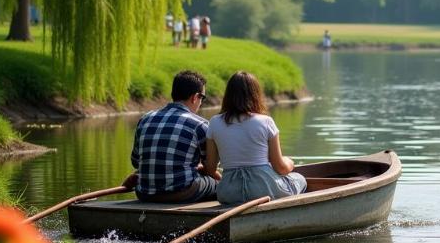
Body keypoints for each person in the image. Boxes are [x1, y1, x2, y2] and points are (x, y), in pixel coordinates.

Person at [205, 71, 306, 204]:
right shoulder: (266, 121)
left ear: (228, 95)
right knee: (300, 179)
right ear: (255, 95)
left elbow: (211, 168)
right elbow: (280, 167)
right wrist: (290, 162)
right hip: (262, 189)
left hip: (228, 193)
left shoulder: (214, 122)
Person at [125, 70, 219, 203]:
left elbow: (135, 162)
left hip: (144, 193)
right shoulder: (200, 125)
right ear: (195, 97)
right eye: (202, 98)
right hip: (182, 192)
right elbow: (210, 169)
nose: (201, 102)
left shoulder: (145, 119)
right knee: (215, 184)